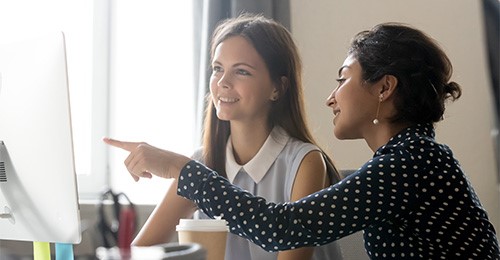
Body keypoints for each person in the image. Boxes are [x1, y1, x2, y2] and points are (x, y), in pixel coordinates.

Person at [105, 22, 500, 259]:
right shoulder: (410, 159)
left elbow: (283, 227)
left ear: (385, 88)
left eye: (343, 78)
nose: (332, 96)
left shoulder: (412, 162)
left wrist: (180, 169)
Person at [105, 14, 343, 260]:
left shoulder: (305, 162)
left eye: (241, 71)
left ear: (277, 88)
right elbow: (137, 253)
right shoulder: (201, 162)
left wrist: (178, 167)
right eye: (218, 69)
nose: (222, 82)